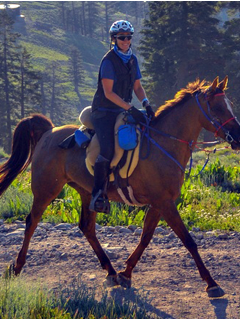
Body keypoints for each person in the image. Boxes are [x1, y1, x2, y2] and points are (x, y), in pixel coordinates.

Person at [89, 20, 154, 214]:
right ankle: (98, 195)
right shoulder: (109, 61)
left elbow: (137, 87)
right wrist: (130, 108)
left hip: (122, 110)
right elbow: (108, 93)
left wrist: (146, 104)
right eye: (121, 38)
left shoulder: (132, 59)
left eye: (128, 37)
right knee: (108, 149)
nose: (126, 40)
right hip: (103, 112)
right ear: (114, 39)